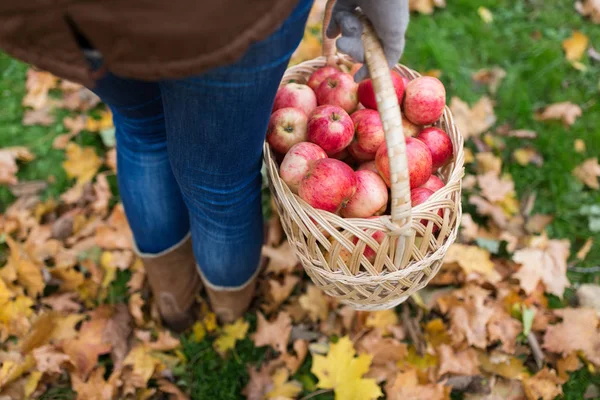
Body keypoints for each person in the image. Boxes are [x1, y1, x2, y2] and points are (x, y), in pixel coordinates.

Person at [0, 0, 408, 330]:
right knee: (220, 185)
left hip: (78, 15)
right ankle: (228, 308)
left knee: (142, 130)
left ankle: (173, 302)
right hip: (222, 16)